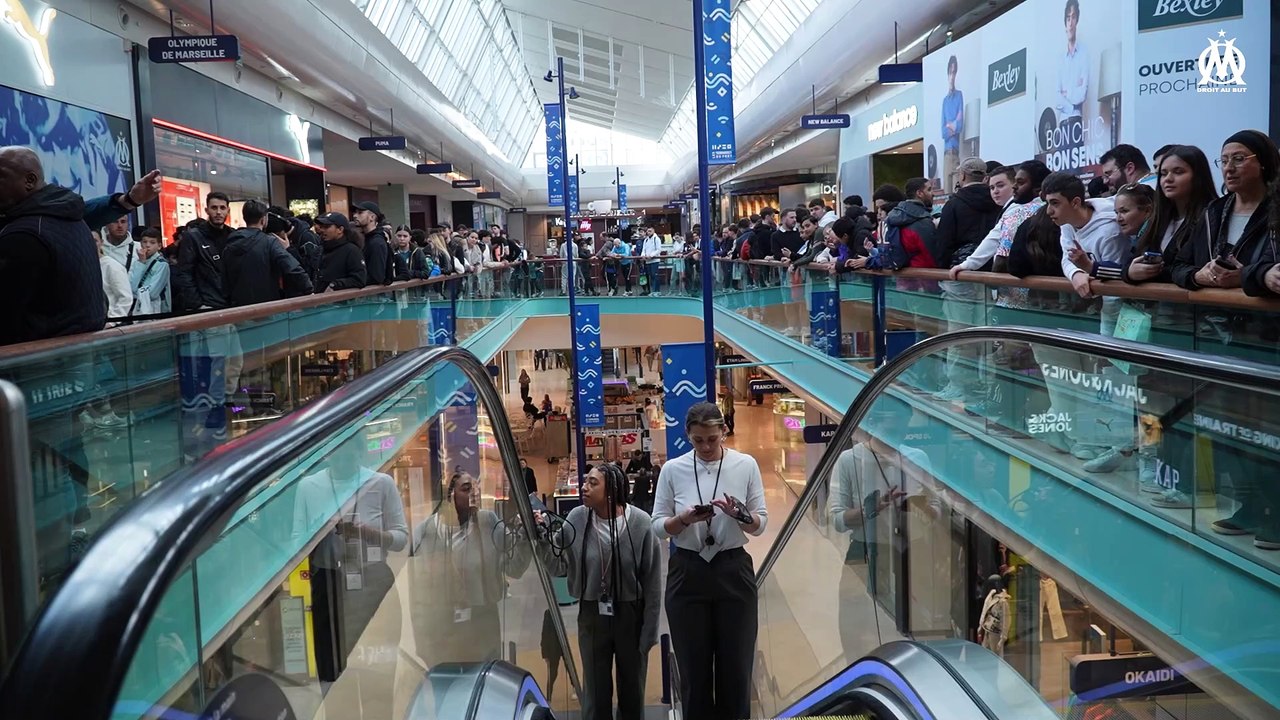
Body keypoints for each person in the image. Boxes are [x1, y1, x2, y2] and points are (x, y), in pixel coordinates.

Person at [652, 402, 767, 720]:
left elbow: (761, 523)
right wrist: (684, 519)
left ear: (724, 434)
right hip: (688, 571)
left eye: (712, 439)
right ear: (688, 435)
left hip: (732, 568)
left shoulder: (745, 465)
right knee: (693, 671)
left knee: (736, 667)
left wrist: (739, 514)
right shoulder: (673, 470)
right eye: (698, 440)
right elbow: (658, 526)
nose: (705, 446)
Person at [535, 463, 663, 720]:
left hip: (630, 614)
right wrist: (541, 537)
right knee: (594, 690)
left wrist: (649, 630)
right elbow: (559, 566)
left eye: (593, 483)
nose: (585, 487)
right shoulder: (578, 519)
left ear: (612, 490)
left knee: (632, 690)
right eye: (585, 481)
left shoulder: (640, 523)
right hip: (592, 614)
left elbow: (653, 583)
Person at [292, 448, 408, 711]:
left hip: (374, 581)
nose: (343, 455)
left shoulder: (380, 483)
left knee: (378, 680)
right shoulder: (308, 487)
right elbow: (296, 543)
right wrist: (320, 531)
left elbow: (401, 539)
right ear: (327, 453)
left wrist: (368, 534)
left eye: (349, 449)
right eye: (336, 450)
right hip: (329, 587)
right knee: (335, 685)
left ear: (360, 451)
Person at [410, 471, 530, 666]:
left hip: (482, 624)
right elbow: (416, 593)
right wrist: (422, 642)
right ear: (448, 496)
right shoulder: (425, 533)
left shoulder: (488, 522)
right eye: (466, 489)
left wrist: (526, 538)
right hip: (442, 629)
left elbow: (515, 568)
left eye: (476, 488)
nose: (474, 493)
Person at [0, 147, 106, 344]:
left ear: (29, 181)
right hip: (77, 354)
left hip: (37, 362)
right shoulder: (72, 219)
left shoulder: (26, 234)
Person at [1172, 130, 1278, 293]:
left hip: (1262, 315)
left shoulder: (1275, 211)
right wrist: (1197, 276)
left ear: (1262, 163)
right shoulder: (1213, 212)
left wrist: (1243, 276)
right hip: (1207, 314)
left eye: (1238, 159)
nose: (1228, 168)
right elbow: (1178, 265)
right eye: (1223, 160)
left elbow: (1274, 270)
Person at [1124, 145, 1217, 286]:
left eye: (1178, 172)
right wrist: (1130, 273)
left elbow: (1199, 269)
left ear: (1198, 176)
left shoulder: (1211, 217)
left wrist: (1155, 273)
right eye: (1163, 173)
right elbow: (1131, 260)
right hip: (1153, 305)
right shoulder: (1156, 219)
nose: (1168, 179)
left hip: (1192, 304)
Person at [220, 200, 313, 306]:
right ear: (264, 219)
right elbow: (292, 268)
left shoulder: (230, 243)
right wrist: (308, 289)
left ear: (245, 218)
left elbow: (225, 281)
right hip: (267, 306)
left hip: (239, 308)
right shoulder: (269, 242)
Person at [175, 191, 234, 312]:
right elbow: (185, 273)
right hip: (207, 305)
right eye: (214, 208)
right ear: (207, 210)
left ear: (228, 210)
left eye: (222, 208)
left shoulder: (234, 235)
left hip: (232, 304)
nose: (218, 212)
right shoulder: (193, 236)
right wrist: (197, 305)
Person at [313, 213, 368, 292]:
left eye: (326, 227)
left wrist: (335, 285)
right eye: (321, 227)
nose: (322, 230)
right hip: (319, 299)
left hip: (341, 302)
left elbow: (359, 279)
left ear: (340, 229)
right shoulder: (321, 249)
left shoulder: (352, 251)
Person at [1056, 0, 1088, 121]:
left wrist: (1066, 93)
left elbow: (1083, 94)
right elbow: (1056, 97)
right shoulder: (1060, 59)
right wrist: (1071, 106)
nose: (1070, 23)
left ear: (1077, 21)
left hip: (1076, 120)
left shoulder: (1084, 55)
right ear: (1065, 22)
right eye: (1068, 18)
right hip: (1062, 121)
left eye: (1073, 17)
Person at [130, 227, 171, 316]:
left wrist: (136, 292)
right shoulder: (137, 262)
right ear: (140, 244)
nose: (147, 245)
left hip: (157, 308)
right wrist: (141, 263)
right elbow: (132, 287)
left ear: (159, 246)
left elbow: (153, 293)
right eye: (144, 242)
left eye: (152, 242)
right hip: (138, 307)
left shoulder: (162, 264)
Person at [351, 201, 393, 286]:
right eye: (355, 212)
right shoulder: (368, 239)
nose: (355, 216)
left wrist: (350, 282)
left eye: (360, 212)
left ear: (372, 217)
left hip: (374, 295)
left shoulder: (377, 242)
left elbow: (376, 277)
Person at [95, 230, 133, 321]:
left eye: (95, 240)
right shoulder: (82, 265)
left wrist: (112, 321)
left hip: (108, 323)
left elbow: (126, 298)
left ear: (101, 242)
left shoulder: (112, 266)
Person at [639, 226, 662, 295]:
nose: (648, 232)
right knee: (651, 276)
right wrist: (643, 255)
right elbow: (644, 249)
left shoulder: (656, 239)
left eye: (650, 231)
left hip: (655, 260)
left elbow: (658, 250)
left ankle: (656, 291)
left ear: (653, 231)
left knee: (655, 275)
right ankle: (654, 291)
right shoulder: (646, 240)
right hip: (647, 261)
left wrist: (651, 255)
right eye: (648, 231)